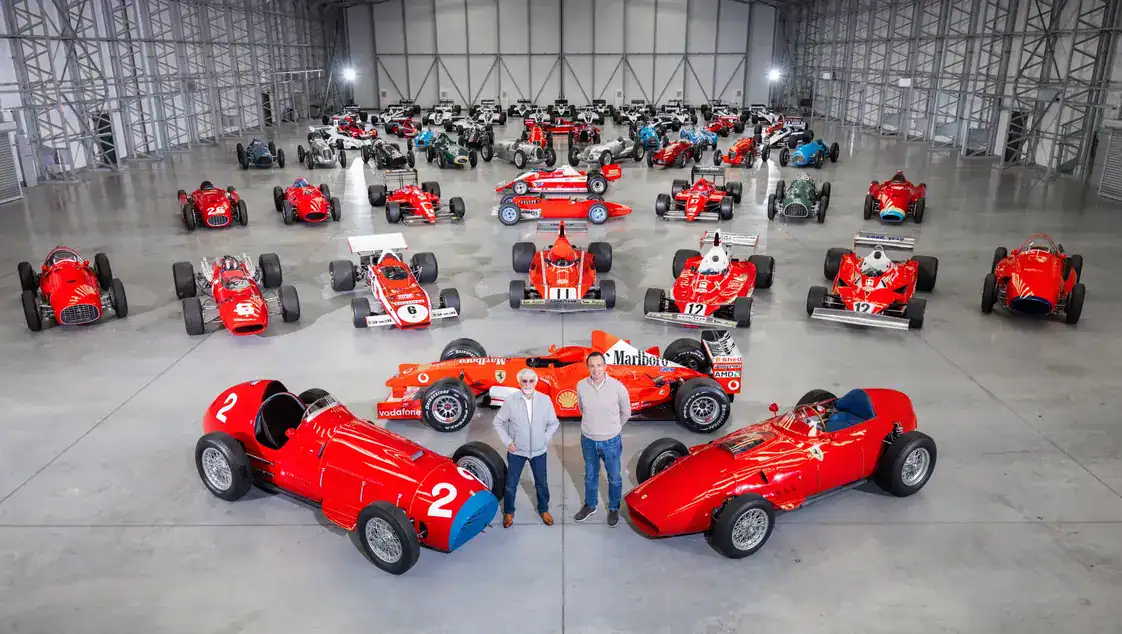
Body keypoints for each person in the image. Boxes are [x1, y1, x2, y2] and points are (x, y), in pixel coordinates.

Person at [492, 367, 559, 528]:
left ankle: (544, 510)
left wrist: (544, 438)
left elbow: (553, 423)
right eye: (524, 381)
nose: (528, 383)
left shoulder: (545, 400)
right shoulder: (511, 401)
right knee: (511, 484)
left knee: (541, 483)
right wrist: (508, 442)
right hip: (517, 452)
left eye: (531, 380)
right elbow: (498, 422)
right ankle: (509, 512)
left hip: (539, 451)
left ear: (536, 382)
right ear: (519, 382)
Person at [573, 351, 631, 527]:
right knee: (590, 475)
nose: (596, 369)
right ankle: (590, 505)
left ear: (605, 367)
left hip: (611, 441)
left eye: (599, 365)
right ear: (587, 368)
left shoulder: (618, 387)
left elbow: (626, 413)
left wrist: (612, 429)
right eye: (592, 366)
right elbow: (582, 409)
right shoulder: (581, 386)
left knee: (614, 477)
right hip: (588, 440)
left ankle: (613, 508)